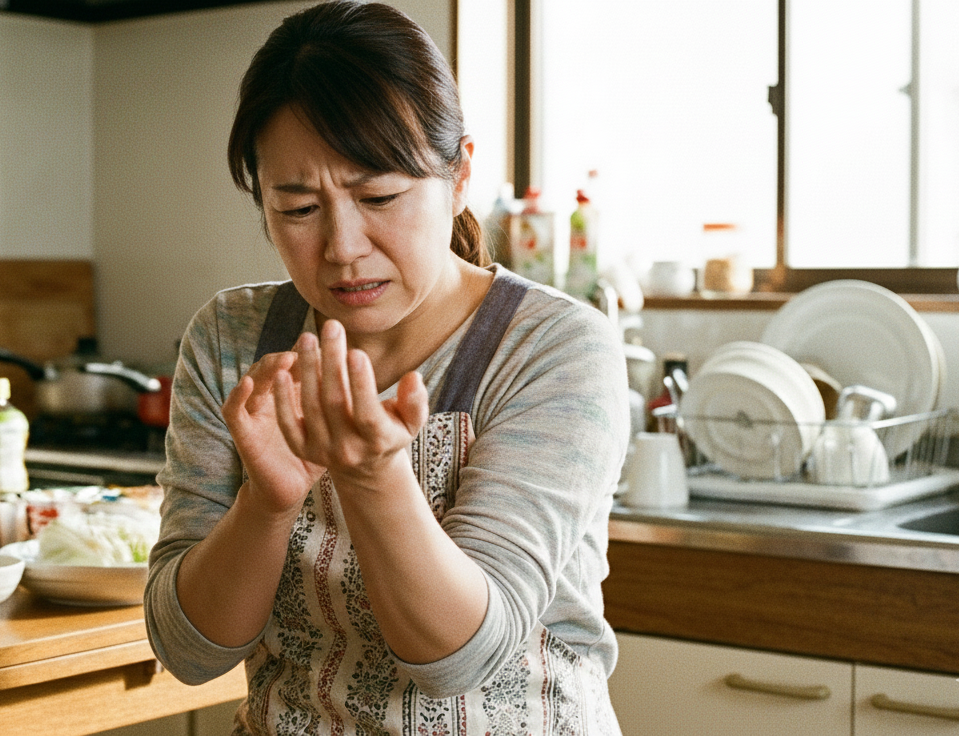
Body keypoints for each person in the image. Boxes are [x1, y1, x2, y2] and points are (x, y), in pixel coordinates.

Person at [144, 2, 629, 733]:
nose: (342, 246)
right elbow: (188, 651)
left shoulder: (554, 347)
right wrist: (266, 505)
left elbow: (462, 658)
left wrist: (374, 478)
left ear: (459, 174)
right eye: (299, 208)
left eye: (379, 197)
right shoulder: (231, 337)